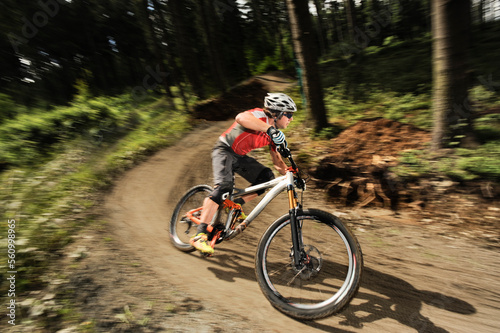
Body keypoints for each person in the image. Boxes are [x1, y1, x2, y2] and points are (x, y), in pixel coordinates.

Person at [190, 93, 297, 255]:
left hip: (239, 157)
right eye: (289, 115)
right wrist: (269, 129)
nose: (291, 119)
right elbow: (241, 117)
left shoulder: (274, 134)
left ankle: (235, 204)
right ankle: (200, 235)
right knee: (224, 187)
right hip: (224, 150)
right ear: (277, 113)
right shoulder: (259, 116)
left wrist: (293, 177)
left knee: (267, 177)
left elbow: (278, 163)